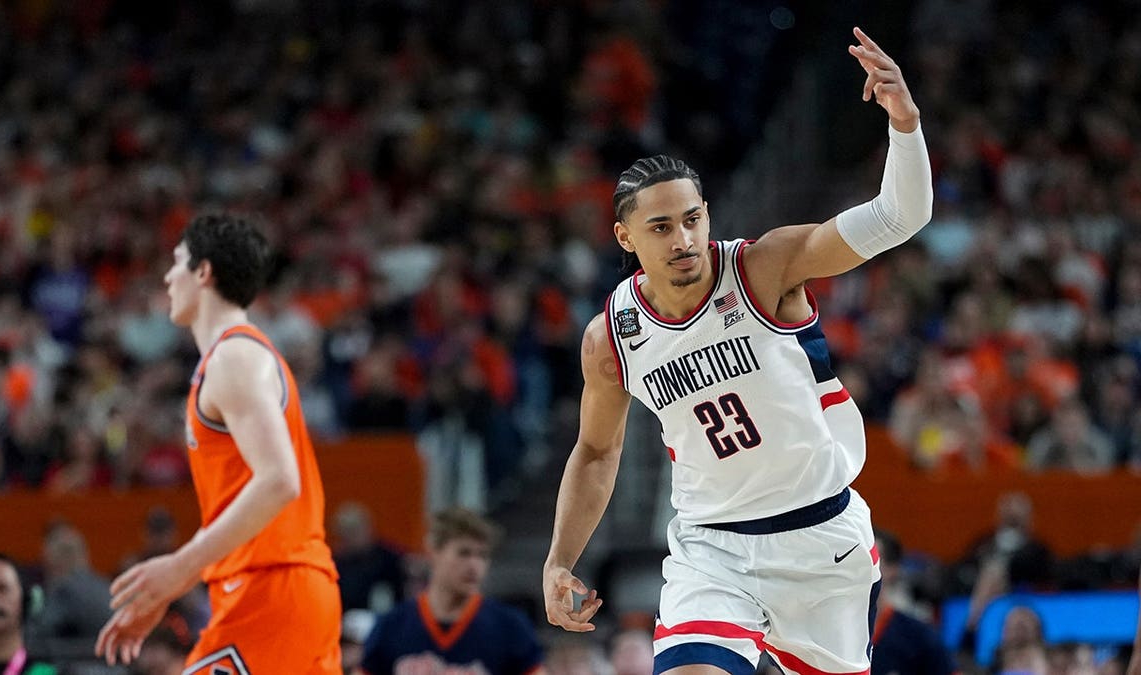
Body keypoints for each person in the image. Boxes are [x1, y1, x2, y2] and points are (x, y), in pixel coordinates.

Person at [542, 27, 933, 674]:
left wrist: (906, 124)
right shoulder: (611, 335)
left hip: (819, 536)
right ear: (625, 236)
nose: (683, 239)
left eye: (693, 218)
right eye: (661, 227)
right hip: (712, 546)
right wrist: (560, 557)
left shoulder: (763, 269)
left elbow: (900, 216)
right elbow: (597, 450)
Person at [95, 214, 341, 673]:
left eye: (177, 262)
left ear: (203, 272)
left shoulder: (235, 356)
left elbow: (279, 481)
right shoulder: (231, 357)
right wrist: (174, 584)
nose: (168, 276)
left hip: (273, 591)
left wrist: (179, 569)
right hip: (273, 592)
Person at [360, 508, 545, 675]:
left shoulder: (510, 627)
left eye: (482, 555)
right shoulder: (391, 626)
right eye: (464, 553)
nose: (475, 566)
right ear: (433, 552)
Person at [869, 529, 955, 675]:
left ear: (893, 570)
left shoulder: (921, 639)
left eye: (871, 560)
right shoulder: (827, 633)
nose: (859, 570)